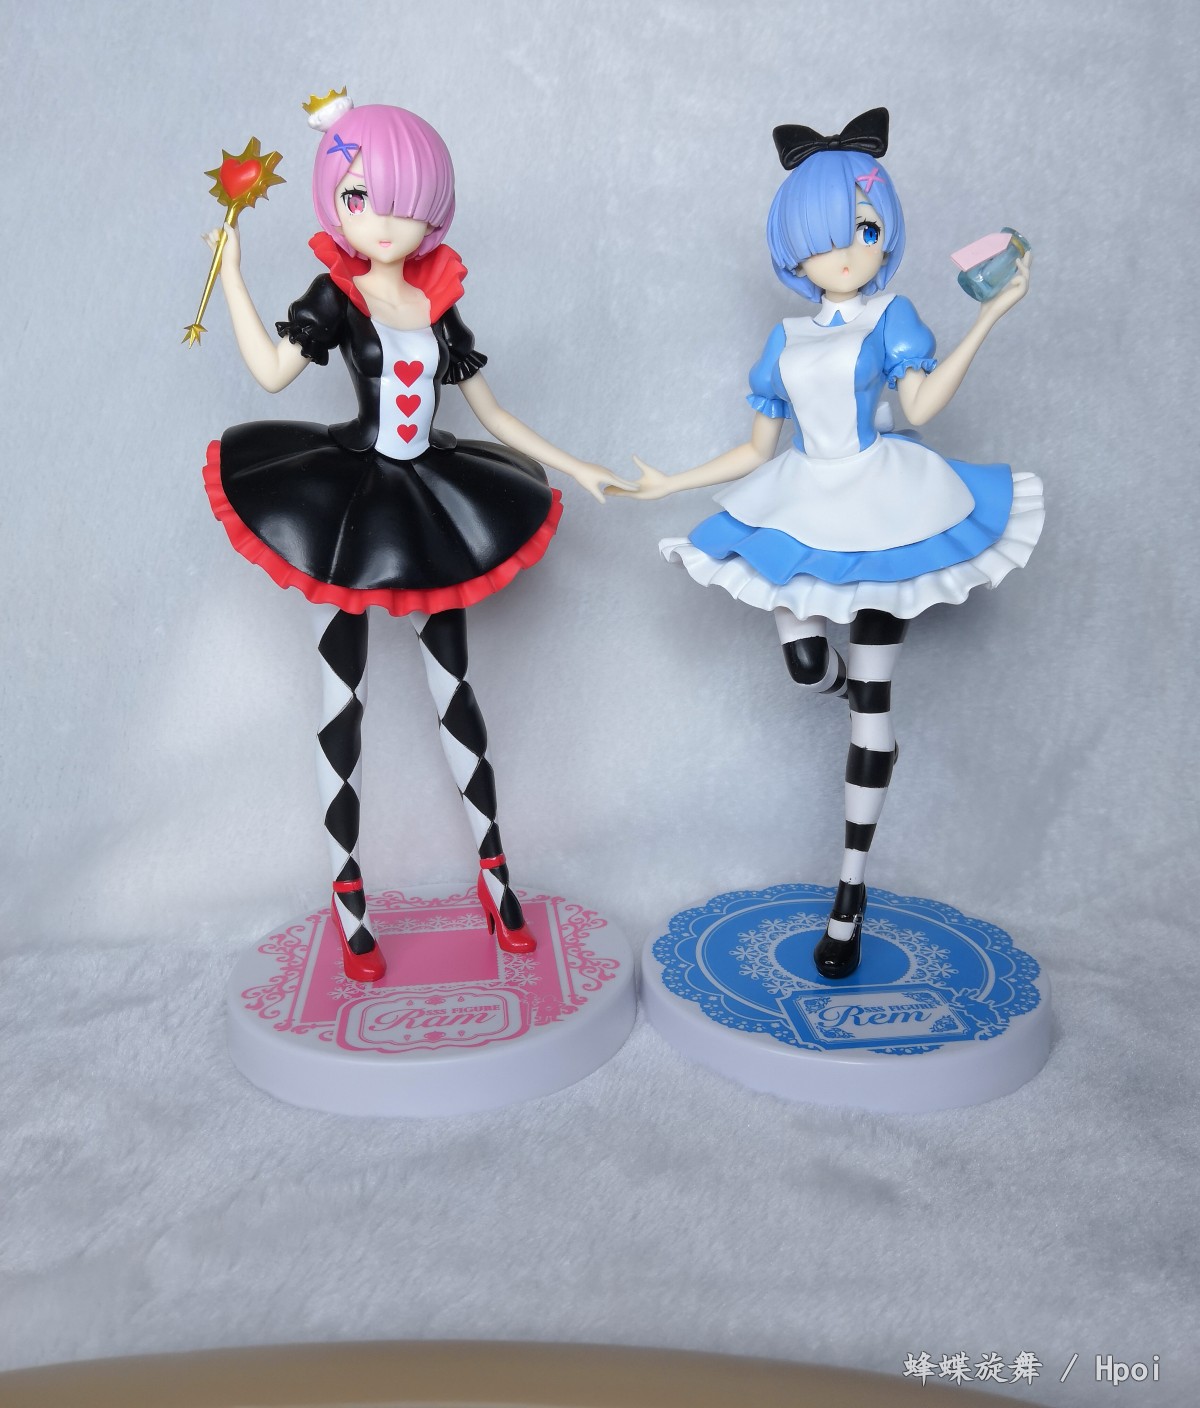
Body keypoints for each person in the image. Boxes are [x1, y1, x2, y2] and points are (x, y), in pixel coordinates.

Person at [202, 90, 629, 981]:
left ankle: (495, 876)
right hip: (349, 502)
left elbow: (492, 414)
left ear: (431, 206)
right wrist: (232, 274)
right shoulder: (335, 294)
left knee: (455, 690)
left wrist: (577, 465)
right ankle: (347, 897)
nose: (382, 221)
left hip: (428, 495)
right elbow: (275, 373)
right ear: (336, 203)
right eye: (359, 198)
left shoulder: (437, 300)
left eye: (401, 201)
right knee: (342, 699)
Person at [625, 109, 1043, 978]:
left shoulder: (892, 314)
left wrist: (990, 316)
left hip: (887, 505)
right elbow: (756, 450)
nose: (847, 251)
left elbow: (920, 407)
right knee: (809, 665)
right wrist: (671, 482)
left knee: (871, 710)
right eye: (826, 238)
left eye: (864, 230)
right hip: (806, 497)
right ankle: (859, 706)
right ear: (795, 250)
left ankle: (848, 897)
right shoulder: (785, 338)